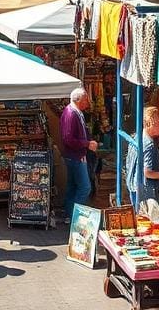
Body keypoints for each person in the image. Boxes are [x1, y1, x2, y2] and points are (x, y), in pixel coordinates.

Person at [60, 87, 99, 223]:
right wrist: (87, 144)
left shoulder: (76, 112)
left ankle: (69, 215)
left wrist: (89, 141)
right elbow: (68, 139)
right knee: (84, 187)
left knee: (72, 186)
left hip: (74, 155)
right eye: (86, 99)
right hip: (75, 156)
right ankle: (75, 217)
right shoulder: (71, 114)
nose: (88, 102)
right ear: (79, 100)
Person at [125, 106, 159, 207]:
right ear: (150, 124)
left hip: (134, 185)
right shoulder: (148, 144)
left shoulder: (139, 136)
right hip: (146, 190)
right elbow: (147, 172)